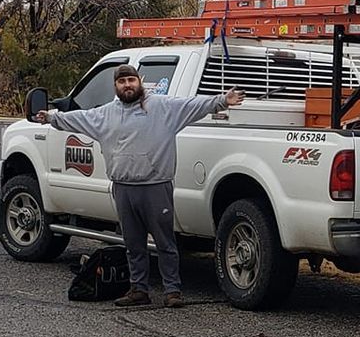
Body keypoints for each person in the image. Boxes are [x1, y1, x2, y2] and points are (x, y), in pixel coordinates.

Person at [32, 65, 244, 307]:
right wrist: (51, 117)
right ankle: (138, 290)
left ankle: (172, 291)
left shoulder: (163, 108)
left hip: (156, 186)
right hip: (123, 188)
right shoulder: (105, 114)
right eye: (122, 81)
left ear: (139, 81)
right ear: (116, 86)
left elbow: (193, 105)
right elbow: (78, 118)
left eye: (131, 80)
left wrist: (223, 100)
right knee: (133, 244)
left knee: (165, 243)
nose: (127, 85)